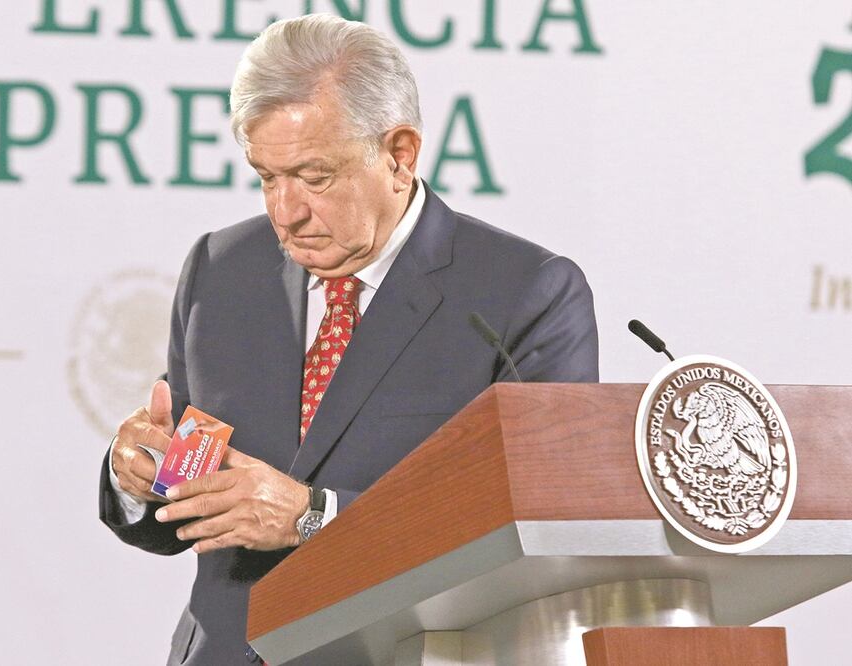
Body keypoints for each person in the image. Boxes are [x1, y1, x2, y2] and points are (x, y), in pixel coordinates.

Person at [100, 14, 598, 666]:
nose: (284, 212)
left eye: (313, 177)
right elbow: (188, 497)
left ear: (399, 155)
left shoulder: (524, 294)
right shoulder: (220, 269)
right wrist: (139, 477)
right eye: (265, 176)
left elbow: (539, 526)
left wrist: (317, 518)